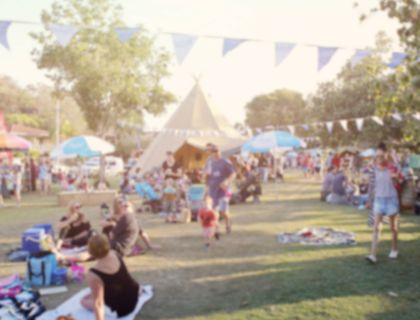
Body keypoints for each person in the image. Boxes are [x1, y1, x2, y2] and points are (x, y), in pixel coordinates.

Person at [81, 234, 141, 318]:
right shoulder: (114, 253)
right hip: (134, 297)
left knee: (83, 301)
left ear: (90, 251)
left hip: (121, 310)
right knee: (93, 293)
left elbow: (98, 304)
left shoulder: (93, 273)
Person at [366, 148, 401, 264]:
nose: (379, 158)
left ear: (385, 156)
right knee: (376, 227)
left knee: (393, 228)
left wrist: (395, 178)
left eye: (381, 156)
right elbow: (371, 185)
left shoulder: (392, 168)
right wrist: (369, 199)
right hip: (379, 200)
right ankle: (373, 255)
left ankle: (394, 249)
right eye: (377, 156)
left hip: (391, 200)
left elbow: (398, 183)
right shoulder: (373, 170)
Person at [205, 144, 235, 233]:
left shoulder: (225, 162)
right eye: (213, 152)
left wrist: (227, 182)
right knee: (214, 211)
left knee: (223, 211)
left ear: (220, 152)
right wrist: (206, 182)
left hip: (223, 190)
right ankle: (217, 229)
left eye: (216, 151)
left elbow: (233, 174)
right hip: (213, 189)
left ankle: (228, 223)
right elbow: (207, 173)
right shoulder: (209, 162)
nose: (215, 154)